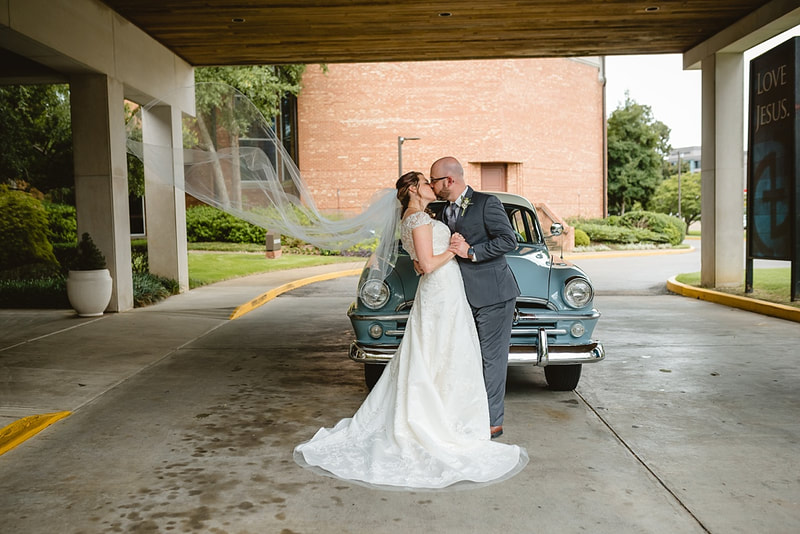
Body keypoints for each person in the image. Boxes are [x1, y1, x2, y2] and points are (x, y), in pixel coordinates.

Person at [294, 171, 528, 490]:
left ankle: (451, 414)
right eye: (425, 181)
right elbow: (429, 265)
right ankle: (439, 421)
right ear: (415, 189)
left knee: (445, 354)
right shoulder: (417, 218)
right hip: (441, 290)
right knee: (440, 352)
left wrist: (434, 255)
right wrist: (455, 249)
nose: (432, 186)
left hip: (446, 290)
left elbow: (419, 264)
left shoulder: (418, 216)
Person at [429, 156, 520, 439]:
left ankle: (493, 421)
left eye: (433, 180)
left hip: (493, 294)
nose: (431, 186)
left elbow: (509, 240)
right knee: (463, 358)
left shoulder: (486, 203)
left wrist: (471, 251)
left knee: (490, 360)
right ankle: (465, 413)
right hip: (458, 296)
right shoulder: (441, 211)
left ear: (449, 180)